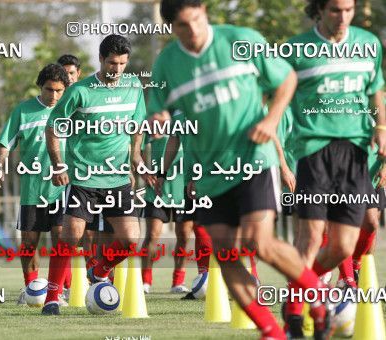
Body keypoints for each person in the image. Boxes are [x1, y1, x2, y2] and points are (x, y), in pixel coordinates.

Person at [148, 1, 333, 338]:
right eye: (183, 27)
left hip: (253, 158)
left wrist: (271, 119)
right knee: (225, 253)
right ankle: (272, 332)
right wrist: (158, 119)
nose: (193, 33)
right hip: (212, 171)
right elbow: (158, 109)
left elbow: (287, 79)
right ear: (171, 28)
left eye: (197, 21)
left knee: (259, 242)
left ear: (204, 11)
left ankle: (316, 298)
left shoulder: (241, 39)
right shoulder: (166, 65)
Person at [282, 0, 386, 336]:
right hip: (313, 151)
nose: (342, 17)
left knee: (342, 247)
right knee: (311, 237)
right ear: (319, 11)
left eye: (348, 10)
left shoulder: (369, 45)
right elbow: (273, 97)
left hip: (355, 154)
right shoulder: (295, 50)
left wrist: (381, 130)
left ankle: (298, 292)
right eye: (334, 10)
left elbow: (376, 93)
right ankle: (296, 314)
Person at [42, 34, 146, 315]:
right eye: (113, 63)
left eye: (123, 63)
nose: (118, 69)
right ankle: (52, 297)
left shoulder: (134, 86)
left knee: (129, 240)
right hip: (84, 178)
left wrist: (135, 156)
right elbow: (52, 128)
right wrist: (58, 165)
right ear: (100, 59)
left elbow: (137, 126)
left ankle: (99, 271)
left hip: (118, 178)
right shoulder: (80, 91)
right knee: (70, 236)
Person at [0, 64, 70, 305]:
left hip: (62, 189)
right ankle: (30, 289)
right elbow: (6, 142)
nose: (54, 96)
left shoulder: (71, 111)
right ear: (40, 86)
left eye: (59, 90)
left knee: (61, 239)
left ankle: (60, 291)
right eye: (49, 90)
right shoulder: (23, 111)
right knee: (29, 243)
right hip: (32, 189)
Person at [140, 133, 193, 294]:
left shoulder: (192, 119)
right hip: (158, 189)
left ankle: (178, 281)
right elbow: (136, 149)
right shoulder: (156, 118)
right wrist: (144, 172)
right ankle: (145, 281)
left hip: (184, 189)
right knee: (152, 235)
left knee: (184, 236)